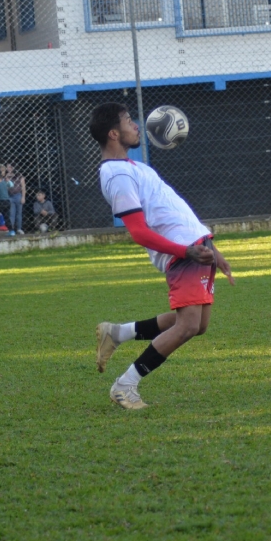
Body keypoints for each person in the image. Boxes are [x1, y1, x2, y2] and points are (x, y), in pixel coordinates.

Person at [91, 102, 233, 410]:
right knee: (187, 326)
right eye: (129, 121)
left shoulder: (136, 167)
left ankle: (118, 333)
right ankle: (125, 385)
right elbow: (138, 232)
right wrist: (185, 251)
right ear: (113, 133)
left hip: (195, 246)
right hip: (183, 252)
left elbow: (176, 211)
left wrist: (213, 250)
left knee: (198, 324)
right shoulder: (116, 175)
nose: (136, 125)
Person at [7, 163, 27, 235]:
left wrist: (23, 197)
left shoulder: (19, 176)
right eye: (7, 167)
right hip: (10, 196)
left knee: (19, 213)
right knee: (11, 213)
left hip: (18, 195)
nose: (8, 169)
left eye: (9, 167)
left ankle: (19, 228)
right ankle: (11, 229)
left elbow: (23, 187)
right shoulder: (6, 176)